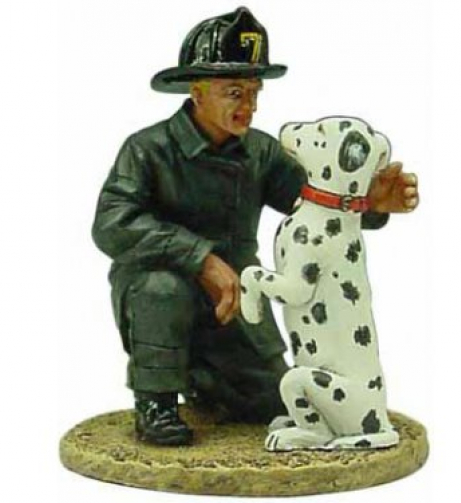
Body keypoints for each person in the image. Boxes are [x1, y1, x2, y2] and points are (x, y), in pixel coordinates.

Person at [92, 7, 419, 446]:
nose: (249, 106)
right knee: (160, 290)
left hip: (236, 301)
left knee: (275, 399)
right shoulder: (146, 150)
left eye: (253, 92)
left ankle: (210, 386)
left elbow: (313, 204)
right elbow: (112, 223)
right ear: (196, 92)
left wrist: (366, 203)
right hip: (164, 296)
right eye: (234, 92)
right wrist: (201, 259)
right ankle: (157, 402)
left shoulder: (261, 153)